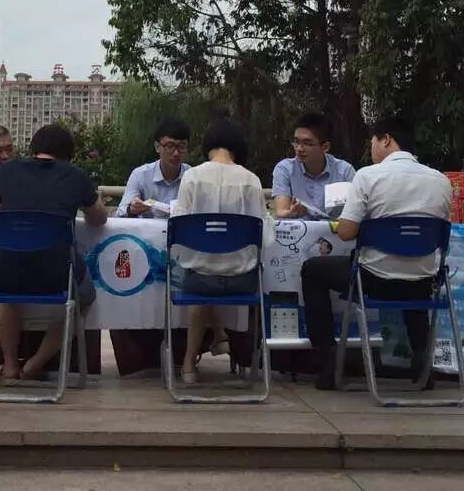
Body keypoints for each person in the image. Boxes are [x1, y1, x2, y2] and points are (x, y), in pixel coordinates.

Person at [300, 116, 452, 390]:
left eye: (372, 143)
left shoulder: (368, 176)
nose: (371, 151)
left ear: (386, 140)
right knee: (412, 269)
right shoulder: (440, 181)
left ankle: (328, 359)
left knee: (312, 270)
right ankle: (421, 363)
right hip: (424, 283)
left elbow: (346, 232)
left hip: (374, 281)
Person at [0, 124, 108, 382]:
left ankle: (9, 365)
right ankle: (35, 364)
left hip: (7, 270)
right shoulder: (75, 175)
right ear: (67, 155)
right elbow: (99, 218)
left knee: (4, 293)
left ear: (33, 149)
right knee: (84, 295)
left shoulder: (8, 171)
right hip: (55, 274)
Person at [170, 117, 269, 384]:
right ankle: (219, 337)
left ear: (208, 145)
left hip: (199, 280)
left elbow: (177, 229)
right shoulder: (251, 181)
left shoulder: (192, 177)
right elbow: (266, 235)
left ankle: (189, 363)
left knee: (199, 276)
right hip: (243, 282)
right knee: (209, 272)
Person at [273, 113, 356, 219]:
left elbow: (353, 214)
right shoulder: (285, 169)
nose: (299, 148)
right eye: (296, 142)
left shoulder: (344, 171)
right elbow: (281, 212)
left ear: (325, 147)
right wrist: (291, 213)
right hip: (298, 228)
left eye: (307, 143)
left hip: (334, 229)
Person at [115, 118, 192, 217]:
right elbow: (120, 213)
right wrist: (131, 209)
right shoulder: (140, 175)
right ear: (157, 147)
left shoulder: (192, 176)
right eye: (170, 146)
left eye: (181, 147)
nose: (176, 153)